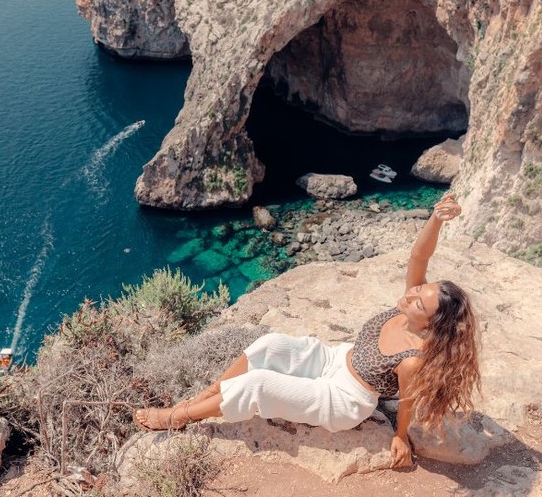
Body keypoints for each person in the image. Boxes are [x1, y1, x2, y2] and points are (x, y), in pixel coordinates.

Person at [134, 193, 480, 468]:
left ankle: (178, 417)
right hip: (335, 357)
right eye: (420, 289)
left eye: (421, 302)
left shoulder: (414, 358)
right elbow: (419, 257)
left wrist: (401, 437)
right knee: (269, 344)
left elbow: (405, 401)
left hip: (345, 399)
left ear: (433, 323)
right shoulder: (408, 305)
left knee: (257, 385)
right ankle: (209, 392)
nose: (412, 294)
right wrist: (436, 218)